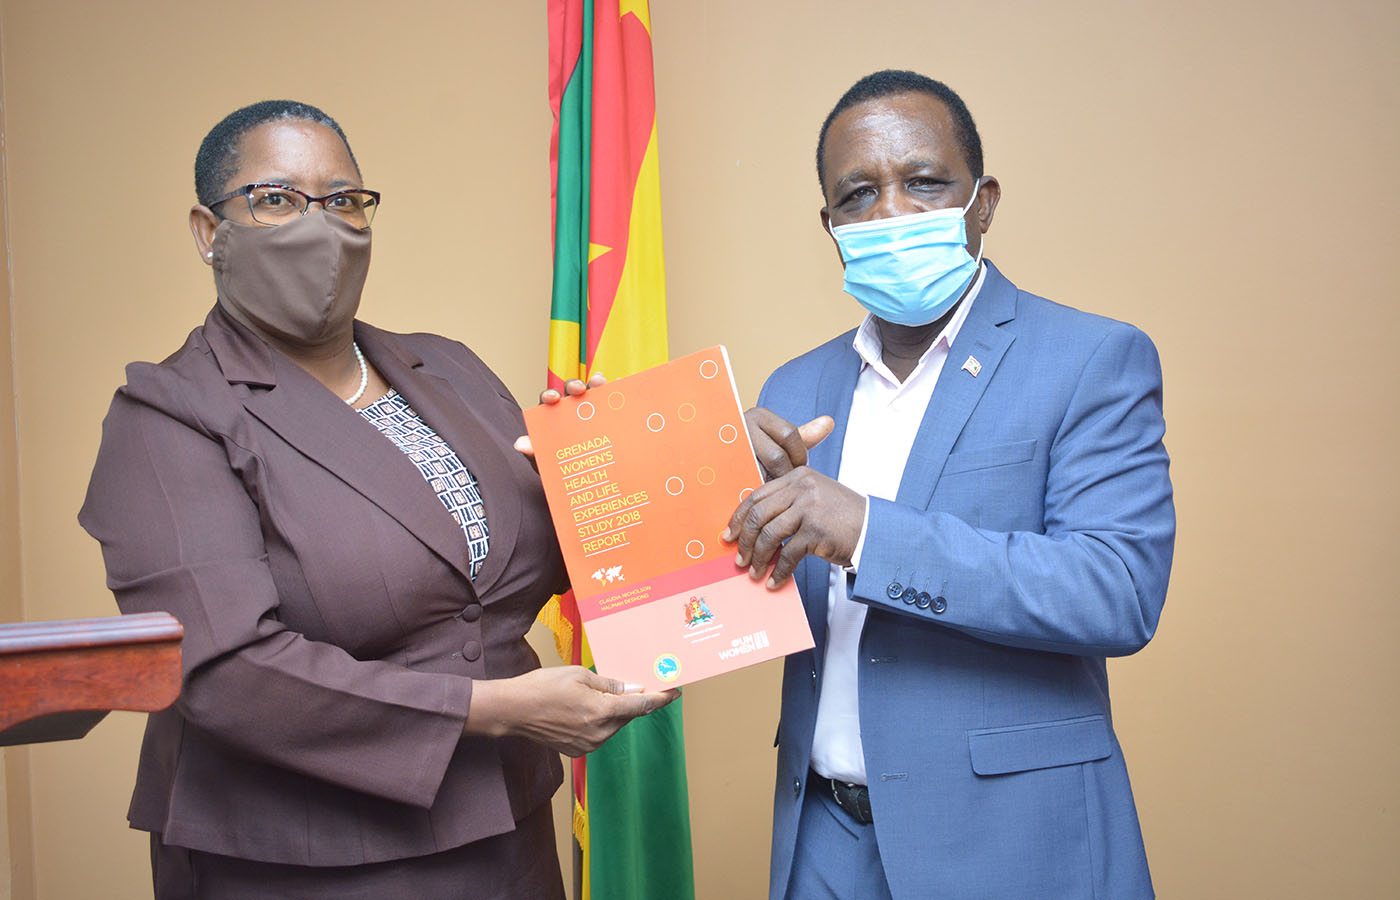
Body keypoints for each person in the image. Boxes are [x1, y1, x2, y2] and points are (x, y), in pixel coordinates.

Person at [79, 100, 674, 899]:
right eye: (277, 199)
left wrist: (656, 460)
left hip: (509, 836)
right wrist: (492, 708)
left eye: (344, 200)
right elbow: (226, 674)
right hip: (307, 862)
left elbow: (555, 555)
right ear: (208, 230)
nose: (319, 225)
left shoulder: (449, 370)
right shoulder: (169, 414)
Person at [724, 70, 1175, 899]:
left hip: (1010, 843)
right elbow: (724, 605)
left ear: (984, 200)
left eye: (924, 183)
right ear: (830, 226)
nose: (892, 213)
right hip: (821, 839)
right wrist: (616, 468)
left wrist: (866, 532)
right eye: (858, 195)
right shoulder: (792, 389)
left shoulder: (1089, 359)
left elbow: (1118, 592)